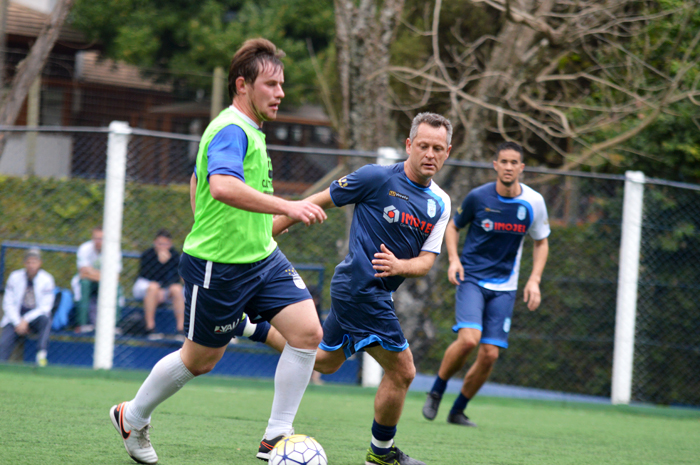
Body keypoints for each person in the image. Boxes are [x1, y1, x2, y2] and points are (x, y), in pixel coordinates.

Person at [109, 38, 326, 465]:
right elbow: (221, 185)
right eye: (271, 84)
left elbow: (196, 178)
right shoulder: (231, 128)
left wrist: (204, 218)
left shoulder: (249, 129)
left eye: (282, 84)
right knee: (200, 360)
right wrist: (288, 205)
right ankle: (131, 416)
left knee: (308, 334)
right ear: (242, 85)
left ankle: (275, 437)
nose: (280, 92)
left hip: (262, 258)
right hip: (219, 268)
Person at [273, 112, 453, 465]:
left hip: (371, 293)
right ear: (408, 145)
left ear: (448, 152)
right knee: (403, 371)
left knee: (324, 362)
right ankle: (381, 454)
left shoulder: (440, 204)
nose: (430, 154)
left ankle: (251, 326)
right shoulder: (375, 177)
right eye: (423, 146)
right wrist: (271, 230)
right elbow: (320, 200)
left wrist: (401, 266)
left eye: (438, 148)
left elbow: (427, 262)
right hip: (359, 288)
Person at [422, 141, 550, 427]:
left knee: (490, 354)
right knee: (469, 339)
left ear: (521, 168)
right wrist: (454, 260)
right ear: (495, 165)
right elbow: (453, 227)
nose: (508, 167)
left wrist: (535, 280)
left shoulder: (533, 202)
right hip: (472, 279)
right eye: (502, 161)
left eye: (513, 162)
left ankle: (457, 410)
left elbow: (541, 242)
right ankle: (436, 391)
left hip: (505, 286)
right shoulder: (478, 198)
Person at [0, 248, 55, 366]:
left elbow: (46, 307)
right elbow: (7, 303)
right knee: (3, 343)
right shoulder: (14, 277)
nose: (31, 266)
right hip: (15, 319)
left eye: (34, 262)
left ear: (40, 263)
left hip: (35, 319)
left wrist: (26, 319)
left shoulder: (47, 279)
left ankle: (41, 355)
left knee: (46, 320)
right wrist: (18, 322)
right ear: (24, 263)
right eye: (29, 262)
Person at [132, 229, 185, 339]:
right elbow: (147, 275)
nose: (162, 246)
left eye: (165, 244)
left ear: (170, 244)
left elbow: (175, 279)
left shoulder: (175, 256)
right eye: (160, 243)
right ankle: (150, 328)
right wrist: (160, 262)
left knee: (177, 289)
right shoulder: (148, 254)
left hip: (165, 289)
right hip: (145, 286)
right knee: (153, 287)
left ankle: (181, 330)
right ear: (155, 243)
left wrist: (167, 263)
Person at [71, 226, 122, 333]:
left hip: (105, 284)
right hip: (89, 282)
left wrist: (92, 272)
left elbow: (116, 277)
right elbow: (83, 273)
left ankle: (114, 325)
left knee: (116, 287)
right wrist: (106, 275)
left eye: (101, 238)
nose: (98, 241)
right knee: (84, 284)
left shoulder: (114, 250)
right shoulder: (84, 248)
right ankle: (82, 323)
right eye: (96, 238)